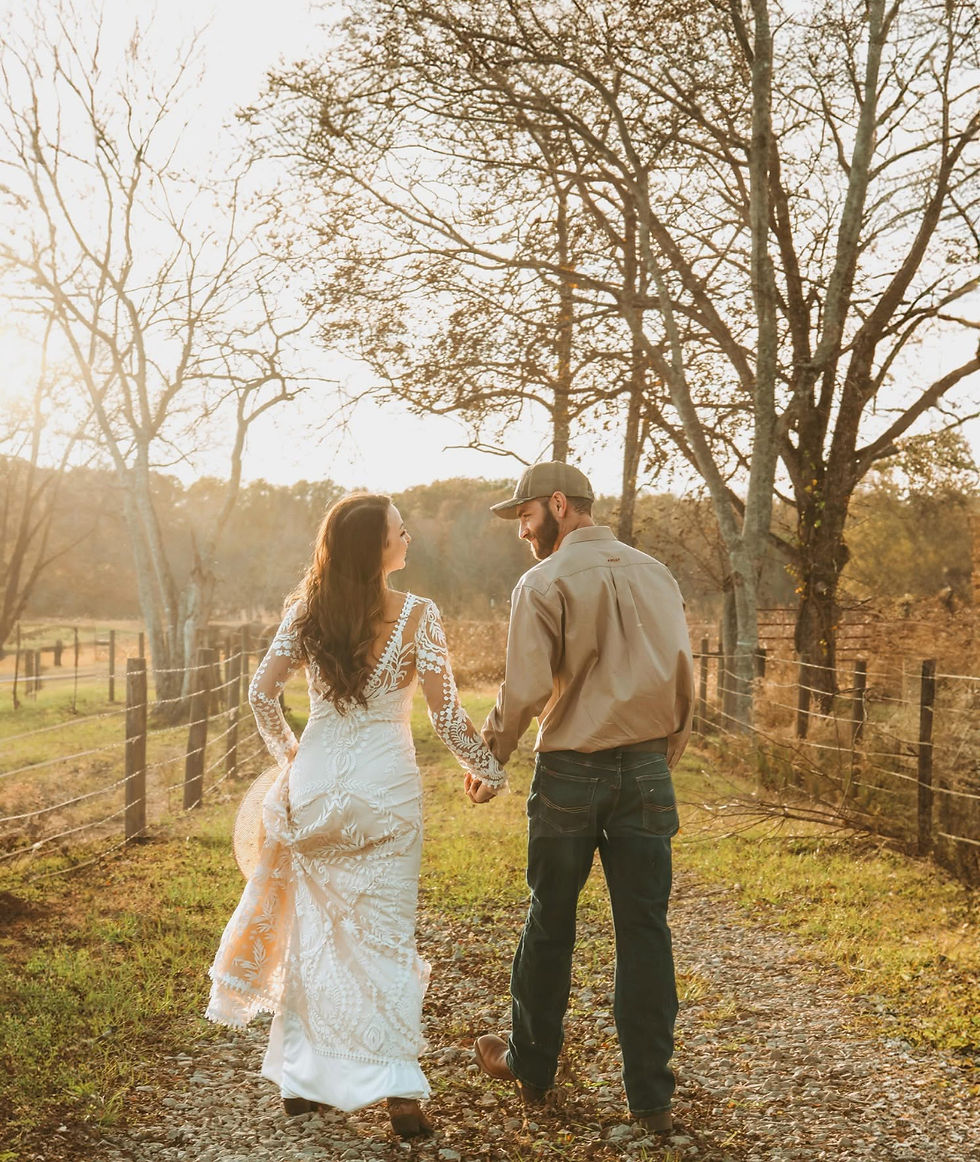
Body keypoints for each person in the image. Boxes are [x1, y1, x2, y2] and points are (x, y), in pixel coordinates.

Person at [206, 493, 506, 1138]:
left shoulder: (306, 611)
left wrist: (292, 760)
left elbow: (261, 694)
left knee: (315, 937)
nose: (409, 539)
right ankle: (398, 1093)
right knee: (386, 939)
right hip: (384, 792)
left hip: (314, 786)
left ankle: (303, 1083)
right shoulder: (419, 614)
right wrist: (492, 768)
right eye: (401, 532)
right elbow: (446, 716)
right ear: (376, 547)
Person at [467, 461, 693, 1136]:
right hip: (648, 768)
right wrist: (660, 756)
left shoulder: (544, 581)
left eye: (527, 516)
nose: (522, 532)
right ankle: (650, 1098)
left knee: (550, 922)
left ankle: (532, 1066)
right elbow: (683, 673)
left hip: (570, 772)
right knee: (645, 932)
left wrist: (490, 756)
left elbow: (527, 684)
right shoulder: (657, 573)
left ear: (559, 505)